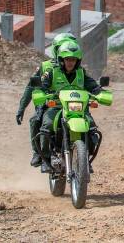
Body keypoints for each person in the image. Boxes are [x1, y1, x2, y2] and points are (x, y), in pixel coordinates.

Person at [37, 42, 102, 173]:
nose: (70, 62)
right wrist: (41, 94)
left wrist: (100, 92)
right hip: (57, 107)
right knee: (47, 125)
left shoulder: (81, 73)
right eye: (67, 59)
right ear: (61, 60)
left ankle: (85, 160)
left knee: (92, 128)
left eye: (73, 59)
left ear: (77, 61)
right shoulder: (52, 72)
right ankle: (46, 159)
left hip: (78, 108)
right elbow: (41, 87)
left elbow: (93, 86)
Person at [16, 33, 78, 167]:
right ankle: (39, 154)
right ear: (57, 49)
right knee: (36, 120)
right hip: (50, 103)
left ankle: (84, 156)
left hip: (73, 105)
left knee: (91, 125)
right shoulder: (46, 67)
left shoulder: (77, 68)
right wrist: (21, 108)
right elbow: (31, 87)